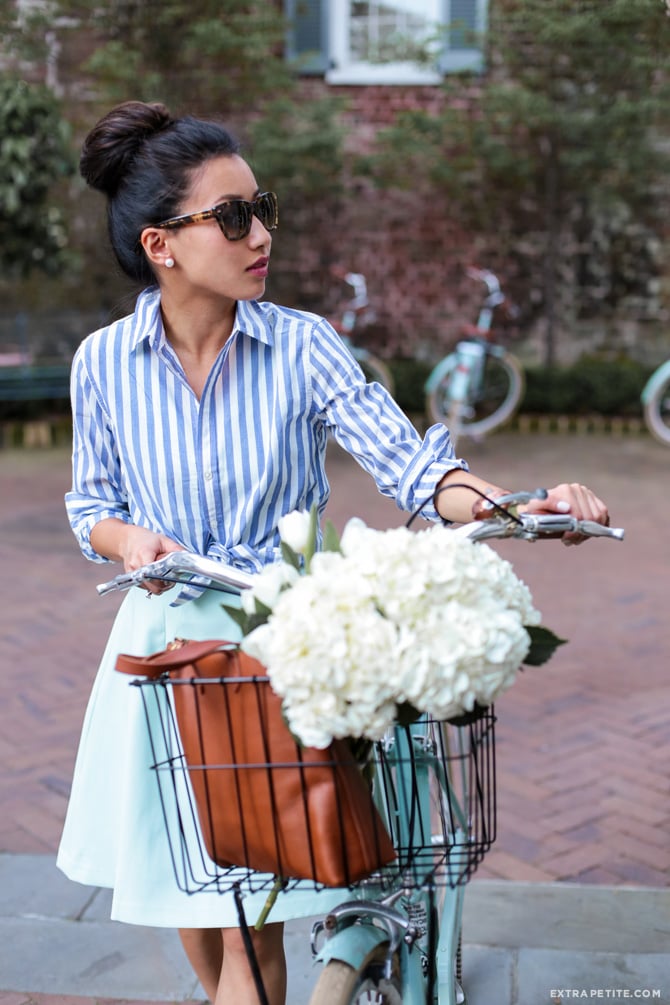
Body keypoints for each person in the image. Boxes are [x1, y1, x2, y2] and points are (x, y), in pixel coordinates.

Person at [57, 100, 609, 1005]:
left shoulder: (303, 345)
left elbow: (411, 465)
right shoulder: (101, 362)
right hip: (166, 654)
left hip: (281, 642)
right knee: (195, 908)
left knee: (250, 916)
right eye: (233, 217)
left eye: (262, 206)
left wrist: (514, 504)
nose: (260, 233)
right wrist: (128, 540)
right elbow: (90, 506)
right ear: (163, 245)